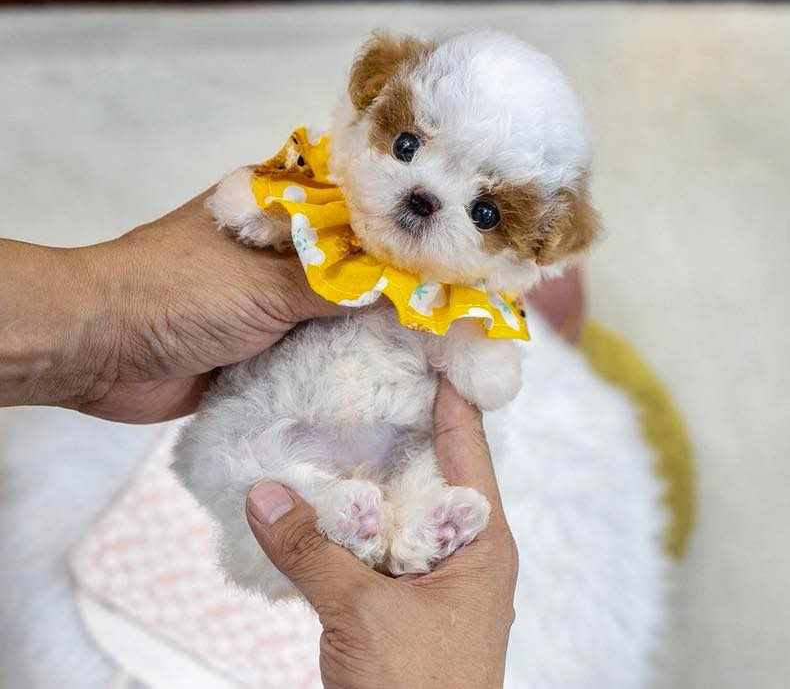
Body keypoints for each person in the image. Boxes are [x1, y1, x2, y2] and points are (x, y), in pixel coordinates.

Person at [1, 190, 582, 687]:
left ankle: (391, 517)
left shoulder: (492, 331)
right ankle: (369, 514)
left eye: (483, 212)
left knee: (421, 465)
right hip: (298, 439)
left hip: (347, 483)